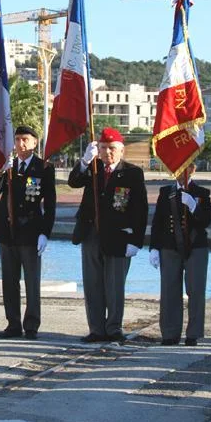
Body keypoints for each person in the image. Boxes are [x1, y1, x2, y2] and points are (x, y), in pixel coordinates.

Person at [68, 127, 148, 344]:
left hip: (118, 236)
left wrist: (136, 240)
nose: (107, 153)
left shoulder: (132, 173)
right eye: (103, 148)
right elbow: (73, 182)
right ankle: (96, 328)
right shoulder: (92, 169)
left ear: (121, 150)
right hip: (91, 233)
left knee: (114, 285)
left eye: (112, 148)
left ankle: (113, 327)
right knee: (92, 284)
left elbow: (140, 209)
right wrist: (84, 161)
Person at [0, 125, 56, 340]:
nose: (20, 144)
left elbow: (51, 204)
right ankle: (13, 324)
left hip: (30, 232)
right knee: (9, 280)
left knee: (32, 281)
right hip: (6, 231)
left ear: (35, 143)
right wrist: (2, 170)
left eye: (25, 139)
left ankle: (32, 324)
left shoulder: (43, 167)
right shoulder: (9, 166)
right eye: (17, 140)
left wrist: (45, 232)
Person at [149, 162, 211, 346]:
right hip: (169, 247)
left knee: (196, 290)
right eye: (177, 168)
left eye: (186, 168)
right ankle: (169, 333)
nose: (181, 172)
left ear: (193, 169)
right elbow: (158, 223)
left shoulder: (202, 193)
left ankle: (193, 333)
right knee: (169, 290)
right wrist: (154, 247)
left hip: (196, 247)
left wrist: (193, 206)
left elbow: (205, 221)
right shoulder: (165, 192)